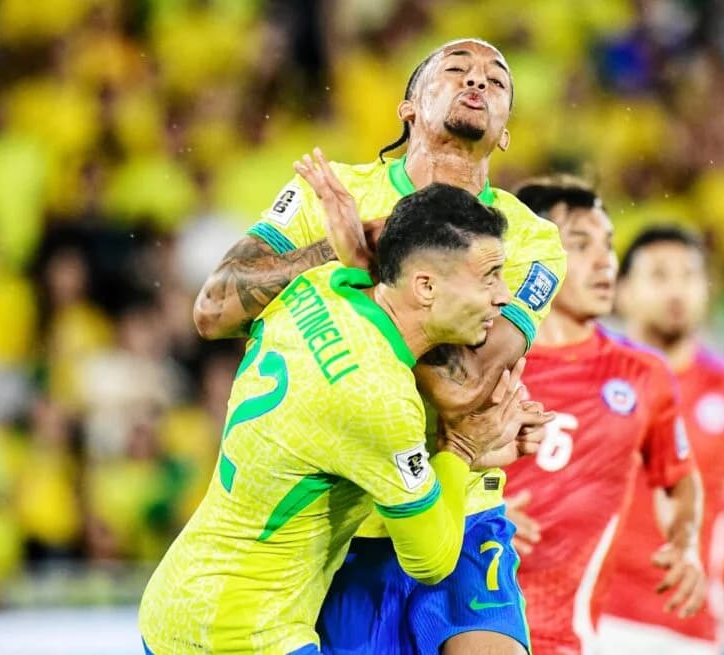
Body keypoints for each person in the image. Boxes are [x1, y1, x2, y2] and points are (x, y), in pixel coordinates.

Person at [193, 39, 567, 655]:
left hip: (462, 508)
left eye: (497, 81)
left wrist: (366, 265)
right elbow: (214, 310)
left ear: (505, 134)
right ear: (408, 108)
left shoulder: (529, 239)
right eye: (456, 70)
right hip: (343, 530)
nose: (477, 81)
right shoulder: (330, 192)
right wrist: (331, 250)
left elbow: (465, 387)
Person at [138, 182, 548, 654]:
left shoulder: (316, 289)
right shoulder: (377, 395)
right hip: (243, 634)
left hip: (179, 599)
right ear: (426, 286)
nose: (503, 296)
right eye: (490, 277)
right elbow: (431, 560)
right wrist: (461, 449)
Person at [501, 177, 706, 655]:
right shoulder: (480, 361)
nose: (605, 262)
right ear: (532, 254)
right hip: (463, 616)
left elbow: (678, 478)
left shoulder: (642, 375)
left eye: (608, 245)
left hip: (565, 636)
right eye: (580, 244)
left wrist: (684, 541)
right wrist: (477, 515)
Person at [600, 227, 724, 655]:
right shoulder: (592, 376)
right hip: (598, 614)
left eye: (689, 275)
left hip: (692, 620)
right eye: (659, 275)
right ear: (622, 292)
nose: (677, 290)